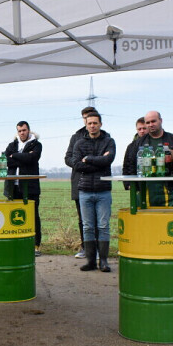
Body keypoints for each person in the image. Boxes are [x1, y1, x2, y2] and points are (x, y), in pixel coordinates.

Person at [71, 111, 116, 273]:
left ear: (100, 124)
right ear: (86, 125)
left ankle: (103, 261)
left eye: (95, 123)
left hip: (103, 191)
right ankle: (90, 261)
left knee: (103, 226)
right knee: (88, 227)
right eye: (89, 123)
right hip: (85, 191)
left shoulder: (109, 141)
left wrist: (88, 159)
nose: (92, 126)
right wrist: (98, 161)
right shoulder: (79, 143)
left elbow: (108, 160)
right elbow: (76, 164)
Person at [65, 106, 99, 258]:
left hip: (98, 182)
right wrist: (83, 164)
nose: (88, 120)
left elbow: (104, 158)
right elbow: (68, 158)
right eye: (85, 117)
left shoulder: (104, 137)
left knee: (98, 218)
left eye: (91, 118)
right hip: (79, 181)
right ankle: (85, 247)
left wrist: (89, 161)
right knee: (83, 219)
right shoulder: (75, 137)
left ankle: (98, 248)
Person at [4, 120, 43, 256]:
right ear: (17, 132)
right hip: (12, 187)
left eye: (24, 130)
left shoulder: (37, 145)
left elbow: (32, 158)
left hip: (30, 187)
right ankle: (17, 244)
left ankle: (36, 245)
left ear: (29, 130)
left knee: (33, 216)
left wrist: (14, 155)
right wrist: (22, 157)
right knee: (14, 216)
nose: (22, 133)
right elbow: (6, 161)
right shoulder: (12, 145)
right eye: (20, 131)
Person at [132, 111, 173, 206]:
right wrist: (134, 188)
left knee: (170, 220)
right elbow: (130, 163)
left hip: (170, 192)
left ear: (161, 120)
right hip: (145, 191)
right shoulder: (138, 143)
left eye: (153, 121)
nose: (150, 125)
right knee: (147, 220)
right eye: (148, 122)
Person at [120, 117, 147, 184]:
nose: (142, 131)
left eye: (144, 128)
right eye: (139, 129)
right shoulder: (131, 147)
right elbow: (126, 166)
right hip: (136, 184)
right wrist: (127, 184)